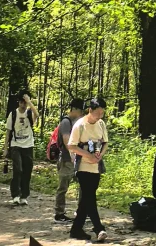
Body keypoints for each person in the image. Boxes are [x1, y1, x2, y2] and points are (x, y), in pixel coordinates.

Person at [67, 96, 108, 242]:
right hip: (83, 166)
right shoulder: (80, 125)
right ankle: (99, 228)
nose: (99, 116)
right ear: (90, 110)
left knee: (86, 199)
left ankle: (76, 229)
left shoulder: (101, 124)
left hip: (96, 166)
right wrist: (87, 155)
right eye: (97, 113)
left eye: (102, 114)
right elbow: (71, 146)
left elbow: (105, 143)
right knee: (90, 197)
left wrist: (99, 156)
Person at [4, 89, 37, 206]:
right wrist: (5, 148)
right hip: (15, 145)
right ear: (18, 102)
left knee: (27, 171)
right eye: (21, 102)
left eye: (25, 102)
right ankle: (15, 195)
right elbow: (8, 132)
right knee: (18, 170)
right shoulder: (13, 114)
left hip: (28, 145)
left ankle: (24, 195)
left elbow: (37, 115)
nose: (23, 104)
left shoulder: (29, 113)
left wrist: (29, 102)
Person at [54, 95, 85, 223]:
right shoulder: (66, 122)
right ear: (74, 109)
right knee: (63, 187)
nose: (82, 114)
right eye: (80, 111)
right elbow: (67, 142)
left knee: (83, 185)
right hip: (67, 161)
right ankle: (59, 213)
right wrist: (73, 157)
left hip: (77, 160)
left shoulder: (76, 123)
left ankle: (82, 210)